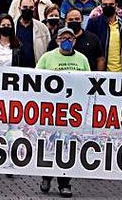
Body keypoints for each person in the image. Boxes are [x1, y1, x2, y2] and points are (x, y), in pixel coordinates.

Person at [35, 26, 89, 198]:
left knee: (68, 147)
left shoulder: (82, 59)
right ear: (57, 40)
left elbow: (88, 82)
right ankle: (46, 177)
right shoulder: (47, 58)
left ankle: (64, 183)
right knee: (50, 145)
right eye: (63, 38)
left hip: (73, 111)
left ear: (74, 41)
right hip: (51, 111)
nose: (67, 41)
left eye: (70, 38)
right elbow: (36, 80)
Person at [85, 0, 122, 72]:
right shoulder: (94, 23)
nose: (108, 7)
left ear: (116, 5)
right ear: (100, 6)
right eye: (105, 5)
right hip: (102, 72)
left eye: (111, 4)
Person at [13, 0, 51, 68]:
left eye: (31, 7)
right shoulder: (12, 26)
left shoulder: (42, 28)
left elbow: (48, 51)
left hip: (35, 70)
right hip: (15, 70)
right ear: (19, 8)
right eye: (25, 7)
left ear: (34, 9)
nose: (28, 10)